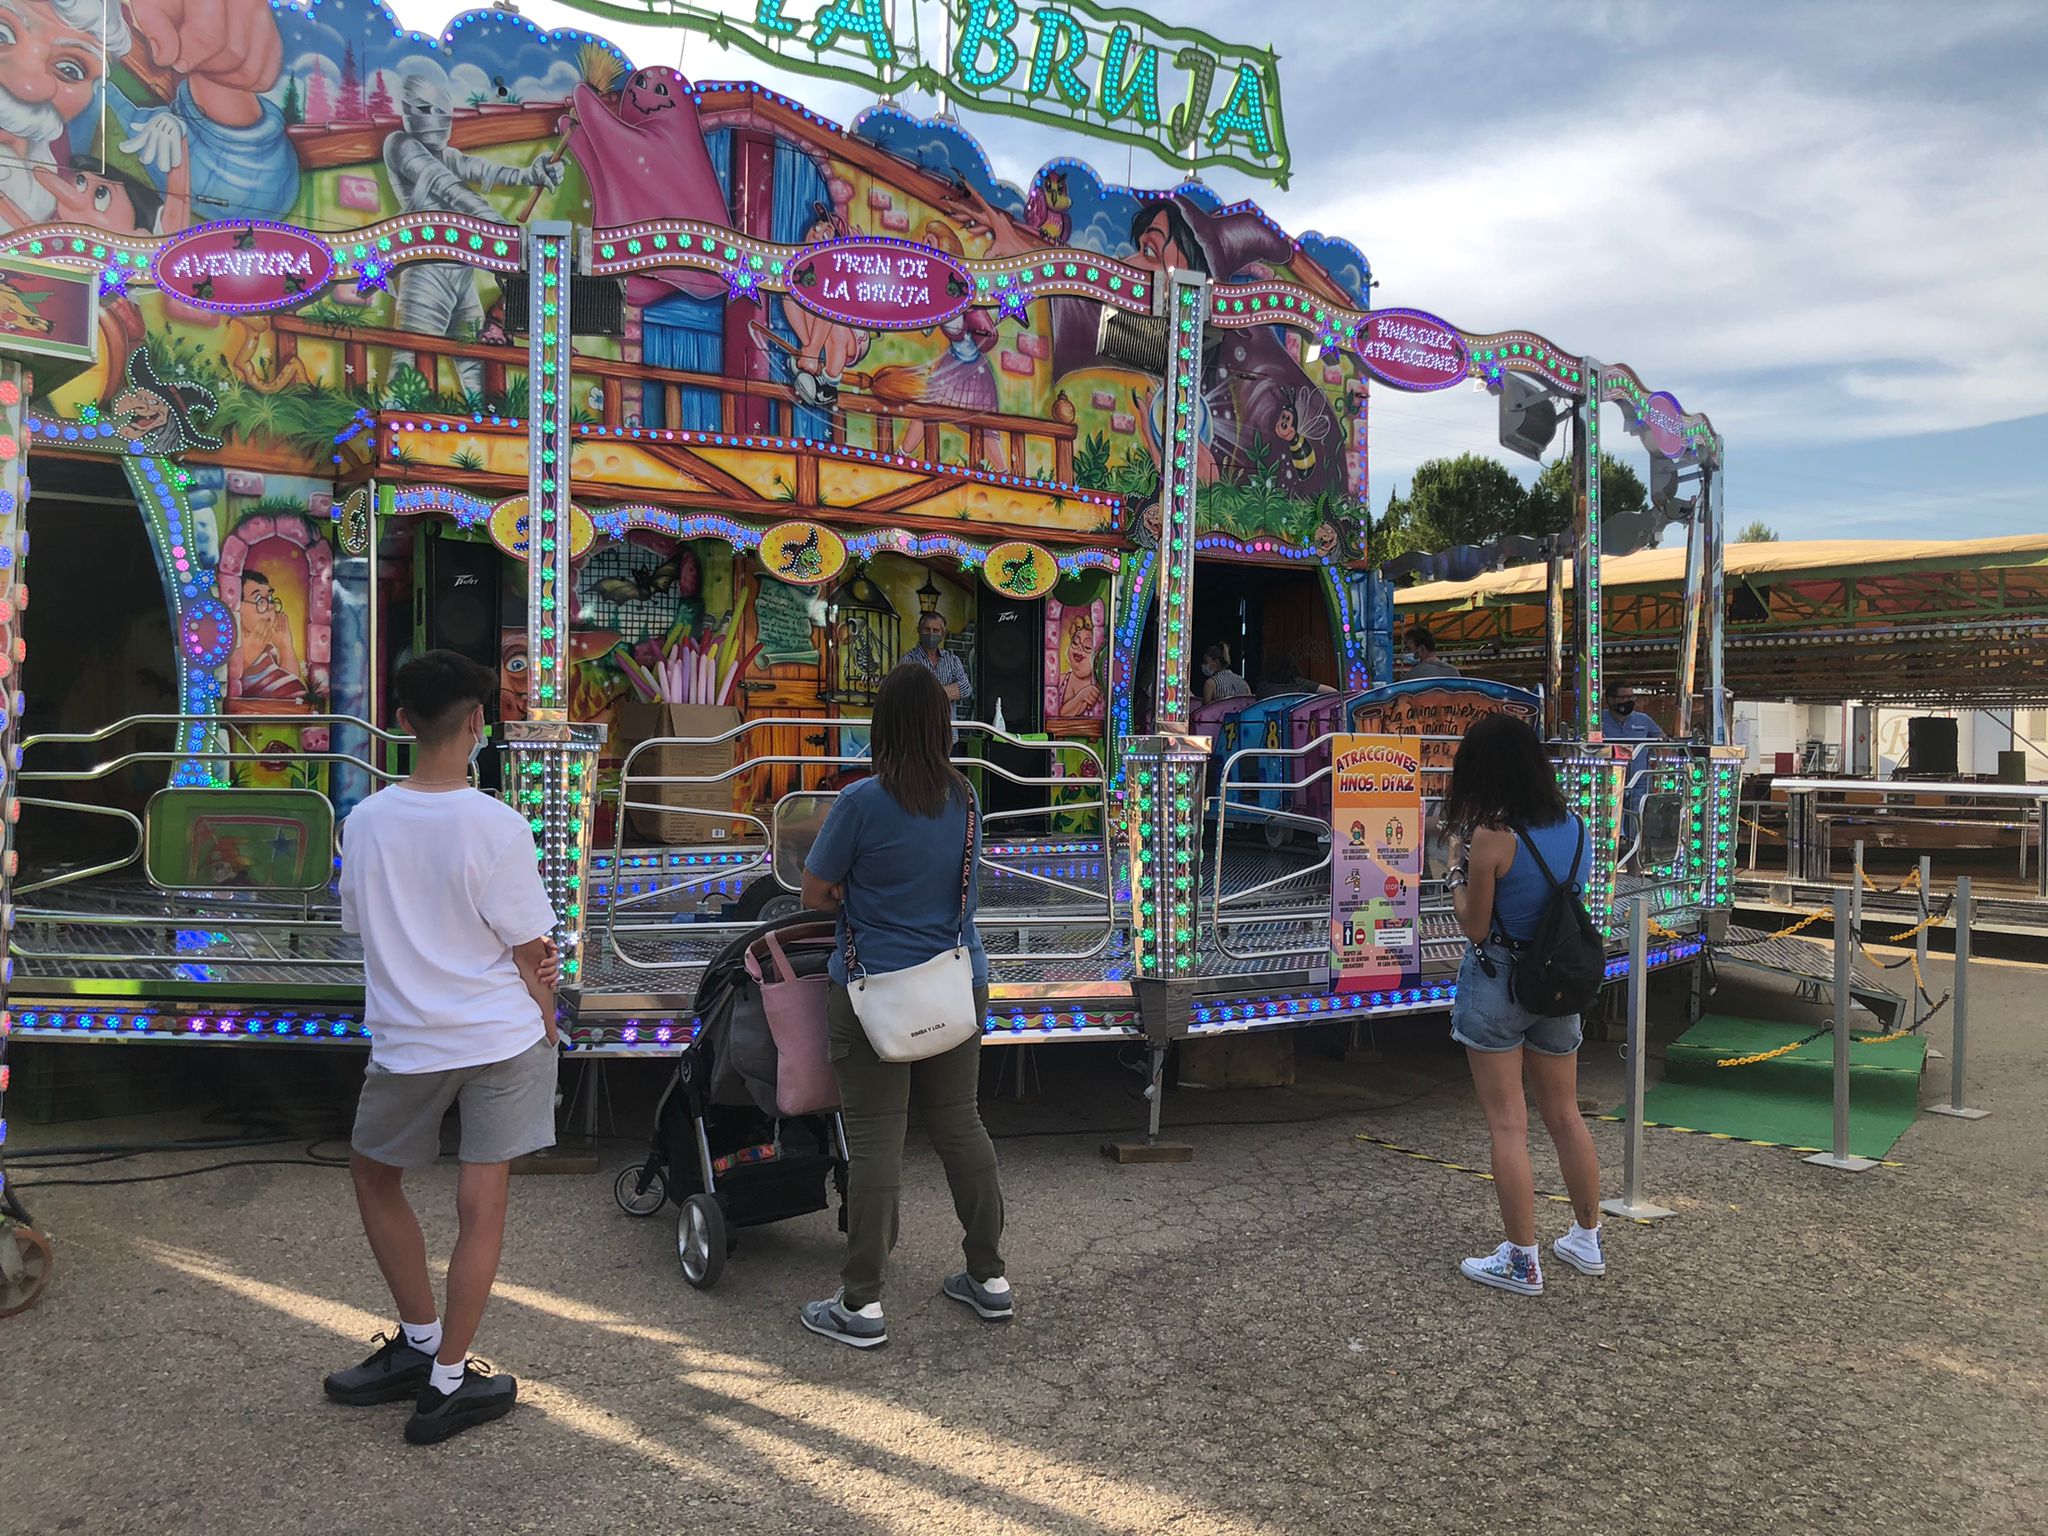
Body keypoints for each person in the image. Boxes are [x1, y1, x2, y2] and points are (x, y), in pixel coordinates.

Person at [326, 651, 562, 1443]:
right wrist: (551, 1020)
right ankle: (449, 1378)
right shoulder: (500, 825)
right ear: (477, 723)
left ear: (400, 722)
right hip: (500, 1033)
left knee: (375, 1178)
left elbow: (359, 928)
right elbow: (534, 951)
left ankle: (418, 1340)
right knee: (481, 1202)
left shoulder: (364, 821)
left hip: (407, 1039)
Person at [798, 662, 1008, 1348]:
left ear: (881, 726)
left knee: (876, 1143)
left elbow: (814, 892)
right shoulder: (965, 799)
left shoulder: (861, 802)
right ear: (943, 728)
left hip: (872, 993)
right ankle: (989, 1276)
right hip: (957, 980)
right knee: (959, 1125)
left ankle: (861, 1304)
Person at [1442, 713, 1605, 1297]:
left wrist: (1453, 876)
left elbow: (1476, 926)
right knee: (1565, 1115)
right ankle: (1586, 1239)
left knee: (1509, 1123)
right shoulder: (1576, 827)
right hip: (1559, 984)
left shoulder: (1491, 836)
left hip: (1500, 983)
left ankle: (1521, 1260)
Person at [900, 609, 972, 722]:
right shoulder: (908, 661)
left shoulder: (952, 660)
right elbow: (906, 695)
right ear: (919, 630)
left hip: (947, 732)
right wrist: (949, 692)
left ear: (942, 634)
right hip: (919, 732)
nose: (931, 634)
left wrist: (927, 695)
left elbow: (966, 689)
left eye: (935, 630)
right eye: (927, 629)